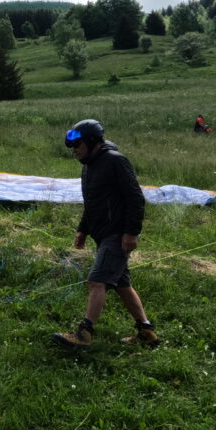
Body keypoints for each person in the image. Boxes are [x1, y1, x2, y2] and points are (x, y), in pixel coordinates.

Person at [53, 120, 159, 349]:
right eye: (71, 146)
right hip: (101, 234)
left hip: (117, 233)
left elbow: (135, 198)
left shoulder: (115, 162)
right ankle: (147, 331)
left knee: (97, 281)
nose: (74, 150)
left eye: (77, 144)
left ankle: (84, 333)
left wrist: (131, 232)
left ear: (92, 141)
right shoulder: (88, 165)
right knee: (122, 285)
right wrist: (83, 229)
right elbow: (92, 203)